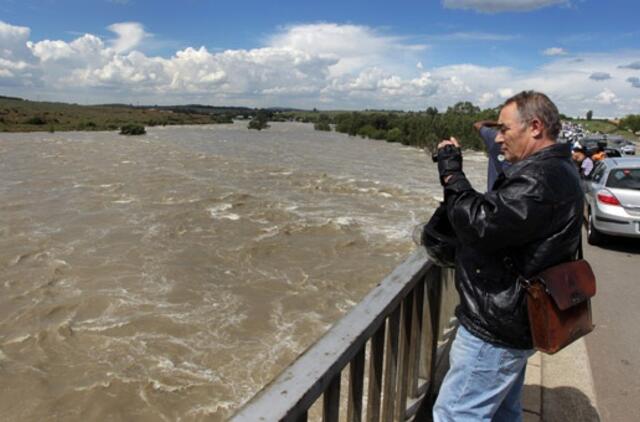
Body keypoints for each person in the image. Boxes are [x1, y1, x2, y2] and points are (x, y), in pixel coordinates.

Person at [431, 91, 583, 421]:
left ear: (535, 127)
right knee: (503, 411)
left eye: (504, 129)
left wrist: (451, 172)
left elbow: (479, 224)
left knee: (455, 413)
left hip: (496, 326)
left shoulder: (539, 179)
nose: (498, 138)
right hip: (518, 319)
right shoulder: (559, 168)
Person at [473, 120, 511, 191]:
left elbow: (478, 124)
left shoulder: (493, 136)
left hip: (494, 195)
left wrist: (498, 123)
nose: (498, 140)